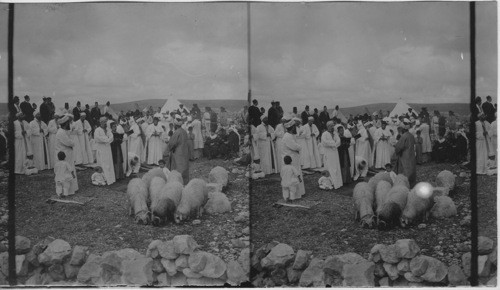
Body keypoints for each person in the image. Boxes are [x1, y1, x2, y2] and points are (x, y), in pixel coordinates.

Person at [281, 118, 305, 199]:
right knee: (292, 176)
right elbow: (295, 146)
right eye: (294, 127)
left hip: (294, 157)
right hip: (290, 158)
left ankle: (299, 193)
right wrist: (300, 147)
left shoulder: (291, 135)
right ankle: (293, 195)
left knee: (296, 173)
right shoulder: (287, 136)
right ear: (292, 128)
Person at [55, 114, 79, 195]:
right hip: (64, 154)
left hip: (68, 154)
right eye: (68, 123)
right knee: (66, 172)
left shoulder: (64, 131)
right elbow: (69, 143)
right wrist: (72, 142)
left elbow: (71, 134)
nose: (69, 124)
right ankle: (66, 191)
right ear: (65, 124)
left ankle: (73, 188)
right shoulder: (60, 132)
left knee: (70, 169)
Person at [394, 119, 417, 187]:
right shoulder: (411, 135)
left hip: (405, 156)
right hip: (411, 155)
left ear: (403, 129)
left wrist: (396, 150)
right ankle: (412, 184)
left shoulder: (404, 136)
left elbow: (399, 147)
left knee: (405, 170)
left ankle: (404, 185)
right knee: (411, 169)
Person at [168, 116, 190, 184]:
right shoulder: (184, 131)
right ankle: (185, 181)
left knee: (178, 166)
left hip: (178, 152)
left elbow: (172, 143)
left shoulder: (177, 132)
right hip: (185, 151)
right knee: (184, 166)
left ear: (175, 125)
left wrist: (170, 148)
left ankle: (177, 182)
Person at [321, 121, 343, 189]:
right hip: (328, 153)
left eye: (333, 126)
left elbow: (339, 141)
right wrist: (334, 143)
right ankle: (331, 182)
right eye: (331, 126)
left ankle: (338, 183)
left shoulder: (335, 133)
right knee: (330, 167)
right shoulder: (324, 134)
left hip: (335, 153)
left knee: (336, 166)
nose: (332, 127)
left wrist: (334, 145)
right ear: (328, 127)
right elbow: (325, 143)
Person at [94, 118, 116, 185]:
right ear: (101, 122)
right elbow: (98, 138)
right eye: (104, 122)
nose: (106, 124)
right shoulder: (97, 130)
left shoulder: (108, 129)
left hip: (107, 148)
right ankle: (104, 178)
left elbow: (112, 137)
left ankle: (110, 178)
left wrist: (107, 140)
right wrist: (107, 139)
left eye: (106, 122)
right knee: (103, 162)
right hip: (101, 148)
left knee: (109, 162)